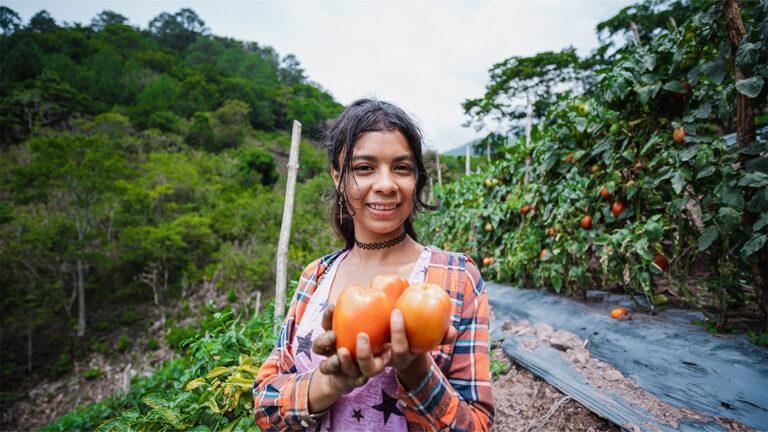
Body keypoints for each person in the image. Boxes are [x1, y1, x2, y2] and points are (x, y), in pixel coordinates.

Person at [253, 98, 494, 431]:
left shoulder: (456, 278)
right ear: (338, 177)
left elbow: (477, 424)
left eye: (402, 168)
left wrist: (415, 369)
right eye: (364, 168)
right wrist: (330, 383)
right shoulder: (316, 276)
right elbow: (266, 405)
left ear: (417, 179)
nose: (385, 184)